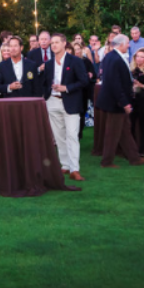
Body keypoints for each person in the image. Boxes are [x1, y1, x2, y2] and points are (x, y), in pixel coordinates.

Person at [97, 36, 144, 168]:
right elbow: (115, 84)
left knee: (125, 130)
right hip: (116, 103)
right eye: (127, 43)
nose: (129, 45)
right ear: (120, 44)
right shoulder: (115, 58)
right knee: (112, 133)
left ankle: (134, 158)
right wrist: (124, 103)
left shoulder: (112, 56)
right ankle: (106, 161)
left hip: (116, 101)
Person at [44, 33, 89, 181]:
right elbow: (44, 82)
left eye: (57, 42)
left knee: (72, 135)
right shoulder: (49, 64)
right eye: (52, 43)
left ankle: (74, 169)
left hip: (71, 102)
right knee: (58, 136)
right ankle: (65, 165)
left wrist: (66, 88)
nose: (54, 45)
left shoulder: (75, 61)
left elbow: (84, 81)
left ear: (64, 44)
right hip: (52, 102)